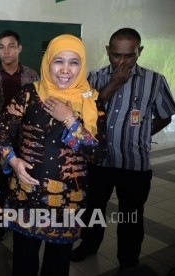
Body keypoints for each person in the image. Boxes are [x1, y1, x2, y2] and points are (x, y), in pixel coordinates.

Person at [0, 34, 105, 276]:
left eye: (74, 62)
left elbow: (97, 154)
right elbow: (0, 134)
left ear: (82, 64)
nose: (65, 70)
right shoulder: (29, 94)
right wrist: (12, 161)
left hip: (68, 200)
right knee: (24, 261)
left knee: (57, 265)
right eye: (58, 61)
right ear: (47, 63)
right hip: (26, 195)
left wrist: (69, 119)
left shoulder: (92, 101)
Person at [72, 28, 175, 270]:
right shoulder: (94, 78)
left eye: (129, 56)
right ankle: (89, 245)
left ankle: (128, 260)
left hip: (134, 164)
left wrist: (141, 134)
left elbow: (165, 115)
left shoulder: (155, 80)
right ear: (108, 51)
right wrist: (115, 82)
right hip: (99, 163)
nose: (122, 61)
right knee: (93, 210)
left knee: (132, 216)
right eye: (116, 55)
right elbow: (84, 111)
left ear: (139, 52)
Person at [0, 29, 39, 241]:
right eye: (1, 47)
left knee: (23, 181)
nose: (6, 51)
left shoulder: (32, 76)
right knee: (1, 184)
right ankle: (2, 223)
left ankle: (22, 220)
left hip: (26, 140)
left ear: (19, 48)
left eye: (11, 46)